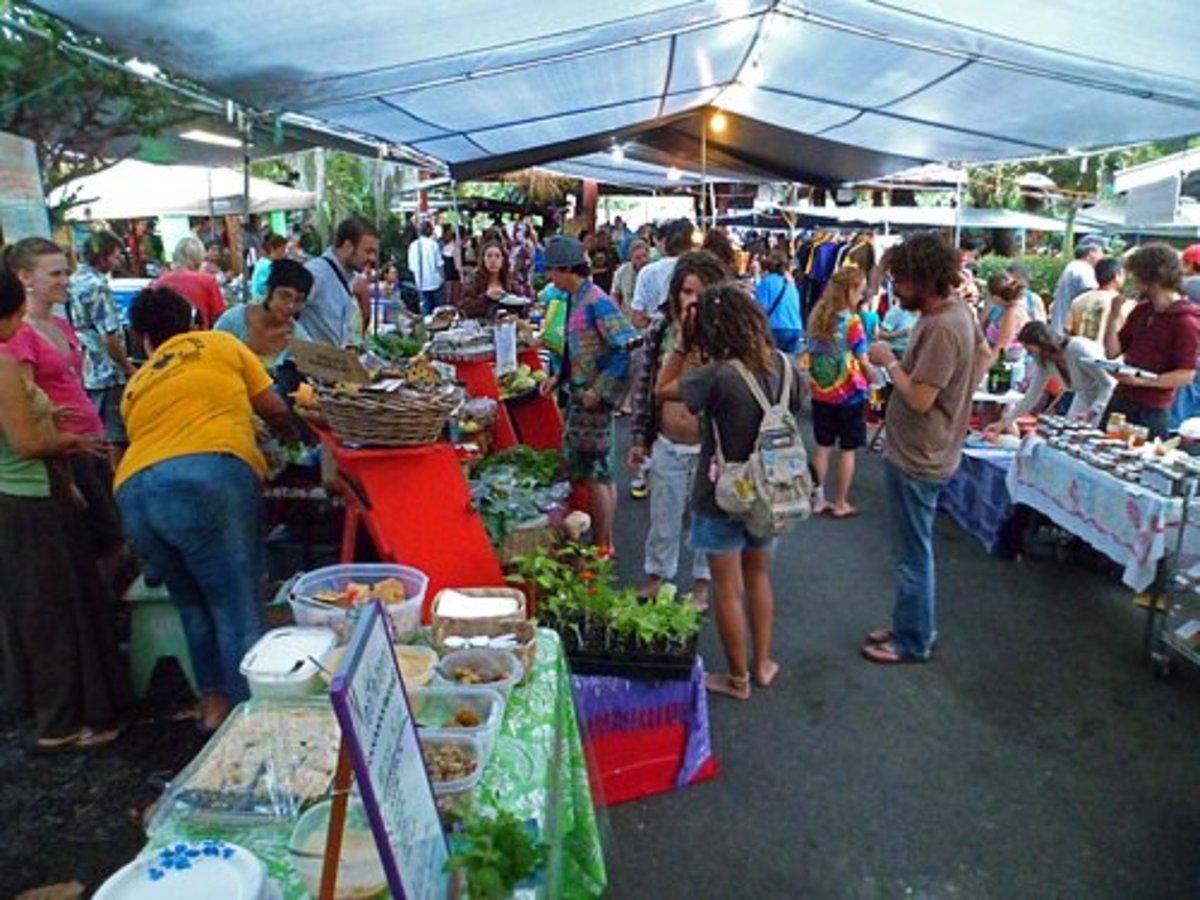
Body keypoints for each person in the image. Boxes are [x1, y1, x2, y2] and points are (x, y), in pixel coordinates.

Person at [115, 288, 297, 730]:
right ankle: (251, 726)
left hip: (135, 493)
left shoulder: (136, 384)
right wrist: (293, 435)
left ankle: (214, 708)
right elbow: (272, 407)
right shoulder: (219, 343)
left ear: (144, 342)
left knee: (192, 606)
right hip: (206, 481)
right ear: (193, 322)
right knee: (235, 607)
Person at [0, 256, 127, 752]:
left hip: (34, 493)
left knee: (51, 607)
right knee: (48, 613)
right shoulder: (5, 362)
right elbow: (27, 441)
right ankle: (59, 723)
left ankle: (60, 712)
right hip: (25, 499)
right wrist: (70, 442)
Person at [658, 284, 797, 699]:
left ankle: (737, 679)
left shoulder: (716, 376)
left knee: (727, 587)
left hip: (721, 492)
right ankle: (762, 663)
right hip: (772, 489)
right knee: (758, 575)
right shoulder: (786, 367)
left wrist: (684, 342)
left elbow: (662, 389)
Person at [864, 232, 990, 664]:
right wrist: (958, 400)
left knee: (912, 555)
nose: (895, 289)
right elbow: (986, 357)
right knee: (911, 551)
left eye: (900, 279)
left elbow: (919, 399)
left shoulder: (942, 325)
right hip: (929, 450)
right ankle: (909, 625)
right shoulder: (959, 313)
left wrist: (889, 361)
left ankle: (913, 640)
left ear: (925, 278)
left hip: (920, 457)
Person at [3, 238, 125, 564]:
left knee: (115, 536)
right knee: (102, 543)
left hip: (89, 439)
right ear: (25, 277)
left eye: (66, 273)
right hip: (65, 451)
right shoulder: (20, 333)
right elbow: (26, 401)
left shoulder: (60, 323)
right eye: (55, 274)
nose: (64, 280)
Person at [627, 252, 727, 610]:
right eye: (685, 292)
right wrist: (640, 438)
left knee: (706, 519)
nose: (691, 301)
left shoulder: (726, 337)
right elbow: (645, 386)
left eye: (699, 293)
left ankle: (702, 584)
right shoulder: (662, 330)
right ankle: (657, 575)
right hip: (667, 441)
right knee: (663, 516)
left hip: (709, 447)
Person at [538, 236, 638, 554]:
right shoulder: (575, 298)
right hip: (580, 397)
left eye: (552, 270)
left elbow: (626, 348)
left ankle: (603, 545)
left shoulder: (596, 300)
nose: (549, 277)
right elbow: (576, 349)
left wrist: (601, 389)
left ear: (568, 269)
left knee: (599, 475)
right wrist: (558, 377)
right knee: (599, 473)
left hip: (592, 402)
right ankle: (603, 543)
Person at [1101, 243, 1200, 438]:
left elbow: (1185, 374)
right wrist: (1113, 316)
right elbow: (1112, 352)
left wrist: (1141, 381)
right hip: (1121, 399)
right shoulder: (1142, 311)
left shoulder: (1186, 322)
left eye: (1137, 276)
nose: (1133, 282)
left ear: (1152, 278)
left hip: (1152, 409)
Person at [806, 266, 876, 519]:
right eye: (861, 288)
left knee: (822, 447)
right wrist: (873, 376)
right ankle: (841, 502)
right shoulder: (852, 322)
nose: (863, 293)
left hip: (820, 391)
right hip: (848, 394)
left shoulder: (817, 316)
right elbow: (863, 359)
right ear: (850, 289)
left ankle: (817, 499)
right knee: (847, 449)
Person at [68, 230, 135, 466]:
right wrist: (127, 367)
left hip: (86, 365)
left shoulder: (74, 280)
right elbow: (109, 335)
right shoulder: (98, 286)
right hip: (106, 369)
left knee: (97, 427)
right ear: (104, 257)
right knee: (115, 433)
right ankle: (116, 476)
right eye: (115, 256)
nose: (117, 262)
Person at [985, 321, 1115, 435]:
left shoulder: (1077, 348)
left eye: (1029, 349)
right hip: (1083, 397)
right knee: (1070, 436)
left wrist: (1093, 411)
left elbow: (1108, 383)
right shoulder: (1045, 361)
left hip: (1107, 399)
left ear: (1042, 343)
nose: (1029, 353)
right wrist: (1005, 422)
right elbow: (1032, 395)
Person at [215, 259, 314, 369]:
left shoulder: (300, 340)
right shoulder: (232, 322)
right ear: (269, 290)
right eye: (285, 296)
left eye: (298, 300)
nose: (291, 306)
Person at [300, 216, 380, 347]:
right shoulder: (316, 274)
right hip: (308, 364)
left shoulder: (351, 276)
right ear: (348, 246)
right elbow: (284, 315)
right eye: (368, 251)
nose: (372, 258)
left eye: (374, 253)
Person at [630, 219, 695, 329]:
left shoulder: (647, 273)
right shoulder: (700, 269)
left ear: (665, 242)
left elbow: (637, 319)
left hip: (659, 337)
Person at [152, 236, 227, 329]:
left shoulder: (159, 283)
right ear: (199, 256)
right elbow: (219, 316)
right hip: (200, 337)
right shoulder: (207, 281)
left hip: (168, 339)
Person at [1049, 237, 1106, 336]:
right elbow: (1092, 297)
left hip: (1060, 329)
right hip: (1068, 332)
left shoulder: (1073, 267)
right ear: (1091, 252)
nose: (1103, 256)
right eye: (1102, 252)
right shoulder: (1084, 269)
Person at [981, 272, 1030, 385]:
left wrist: (981, 370)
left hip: (1007, 371)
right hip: (1006, 367)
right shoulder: (1011, 309)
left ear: (995, 297)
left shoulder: (1011, 313)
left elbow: (1002, 346)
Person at [1068, 257, 1132, 342]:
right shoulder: (1125, 305)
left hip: (1081, 353)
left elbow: (1068, 331)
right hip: (1109, 353)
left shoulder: (1078, 301)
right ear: (1117, 276)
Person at [754, 251, 803, 354]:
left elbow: (759, 308)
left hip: (776, 327)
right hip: (796, 327)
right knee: (789, 364)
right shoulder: (790, 283)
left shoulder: (767, 282)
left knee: (774, 363)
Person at [458, 240, 513, 321]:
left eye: (497, 256)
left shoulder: (509, 281)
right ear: (483, 259)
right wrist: (486, 297)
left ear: (503, 260)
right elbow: (464, 308)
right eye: (489, 256)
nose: (493, 260)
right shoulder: (474, 280)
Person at [407, 220, 445, 314]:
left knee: (426, 311)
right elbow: (439, 265)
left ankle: (427, 327)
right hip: (436, 282)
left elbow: (411, 268)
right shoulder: (433, 245)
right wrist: (443, 278)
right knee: (440, 312)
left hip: (421, 283)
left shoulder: (412, 246)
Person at [611, 240, 651, 314]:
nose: (643, 260)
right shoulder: (622, 271)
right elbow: (614, 294)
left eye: (645, 255)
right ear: (631, 258)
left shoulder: (655, 270)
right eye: (638, 258)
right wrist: (618, 313)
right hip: (629, 315)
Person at [250, 233, 288, 300]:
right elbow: (268, 289)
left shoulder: (263, 261)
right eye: (282, 251)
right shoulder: (266, 266)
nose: (284, 254)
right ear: (272, 249)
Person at [441, 223, 462, 305]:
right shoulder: (448, 246)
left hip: (452, 276)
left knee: (451, 296)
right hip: (451, 276)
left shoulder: (452, 246)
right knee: (452, 297)